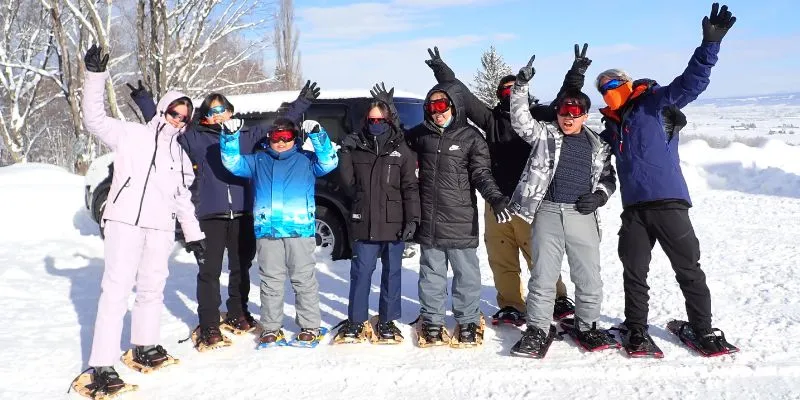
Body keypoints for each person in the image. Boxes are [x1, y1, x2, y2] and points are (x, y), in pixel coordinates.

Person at [131, 81, 320, 350]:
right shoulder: (195, 138)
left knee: (241, 267)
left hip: (244, 212)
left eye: (223, 110)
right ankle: (209, 324)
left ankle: (237, 312)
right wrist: (146, 102)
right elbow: (166, 126)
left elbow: (278, 126)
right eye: (212, 111)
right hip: (211, 213)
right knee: (209, 271)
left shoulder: (246, 136)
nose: (218, 116)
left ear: (231, 112)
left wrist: (302, 103)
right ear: (204, 117)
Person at [594, 2, 737, 355]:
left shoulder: (653, 103)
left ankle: (703, 330)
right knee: (634, 272)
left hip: (670, 204)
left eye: (613, 82)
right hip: (634, 211)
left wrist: (710, 45)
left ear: (627, 83)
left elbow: (692, 83)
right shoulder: (612, 127)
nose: (608, 89)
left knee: (689, 269)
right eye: (602, 87)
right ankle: (637, 330)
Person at [423, 45, 592, 325]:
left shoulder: (538, 116)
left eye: (515, 88)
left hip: (530, 201)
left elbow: (565, 100)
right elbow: (461, 93)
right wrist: (442, 70)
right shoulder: (491, 120)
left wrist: (576, 72)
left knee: (538, 253)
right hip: (496, 200)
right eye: (505, 90)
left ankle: (558, 297)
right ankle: (511, 303)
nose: (510, 92)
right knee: (501, 256)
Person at [73, 45, 205, 396]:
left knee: (152, 287)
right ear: (163, 110)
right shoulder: (131, 134)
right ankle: (101, 364)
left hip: (159, 228)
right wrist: (95, 76)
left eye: (184, 117)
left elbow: (182, 198)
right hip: (125, 222)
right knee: (115, 290)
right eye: (175, 112)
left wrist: (194, 235)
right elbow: (94, 119)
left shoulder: (178, 154)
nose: (178, 119)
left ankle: (144, 345)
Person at [506, 54, 618, 358]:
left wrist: (600, 196)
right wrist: (520, 86)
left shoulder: (598, 146)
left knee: (589, 277)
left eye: (575, 113)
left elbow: (609, 179)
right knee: (543, 275)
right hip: (548, 213)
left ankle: (588, 325)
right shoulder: (545, 135)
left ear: (584, 115)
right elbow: (520, 120)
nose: (568, 118)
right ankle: (538, 329)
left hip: (582, 215)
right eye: (564, 112)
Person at [406, 81, 514, 345]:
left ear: (454, 106)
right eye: (432, 106)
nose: (437, 112)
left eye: (442, 105)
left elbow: (481, 174)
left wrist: (496, 197)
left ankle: (467, 319)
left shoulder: (471, 137)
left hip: (460, 219)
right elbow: (396, 149)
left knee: (466, 273)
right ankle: (432, 320)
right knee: (431, 273)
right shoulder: (420, 135)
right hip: (430, 219)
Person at [220, 116, 338, 346]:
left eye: (287, 137)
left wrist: (318, 134)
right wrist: (229, 137)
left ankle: (310, 326)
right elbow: (232, 162)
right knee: (270, 280)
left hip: (299, 230)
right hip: (268, 231)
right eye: (276, 137)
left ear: (295, 139)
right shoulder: (258, 160)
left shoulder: (307, 160)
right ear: (269, 138)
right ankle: (271, 327)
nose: (281, 142)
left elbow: (330, 161)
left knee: (303, 280)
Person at [335, 83, 420, 343]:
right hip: (365, 222)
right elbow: (348, 184)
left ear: (388, 120)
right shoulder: (356, 146)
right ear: (365, 120)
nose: (375, 123)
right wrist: (345, 152)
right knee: (361, 272)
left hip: (393, 223)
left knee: (392, 273)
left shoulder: (401, 148)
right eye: (371, 119)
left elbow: (410, 186)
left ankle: (387, 320)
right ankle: (356, 319)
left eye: (380, 119)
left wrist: (413, 218)